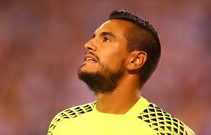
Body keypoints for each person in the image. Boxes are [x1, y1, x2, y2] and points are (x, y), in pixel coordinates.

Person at [47, 9, 195, 135]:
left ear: (135, 60)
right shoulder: (63, 122)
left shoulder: (168, 131)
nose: (88, 44)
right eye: (93, 38)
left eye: (106, 39)